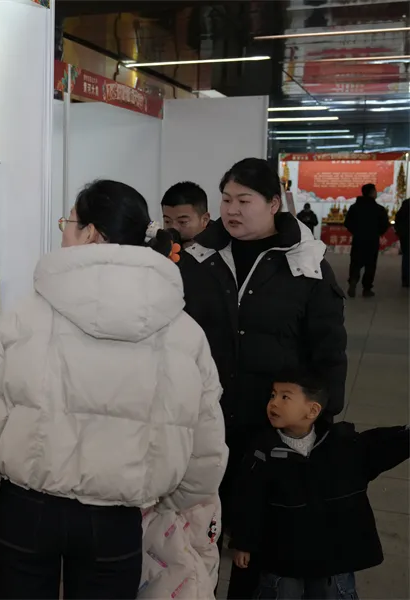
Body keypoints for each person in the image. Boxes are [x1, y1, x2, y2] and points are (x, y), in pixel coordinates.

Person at [0, 180, 228, 600]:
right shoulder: (184, 331)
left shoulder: (26, 317)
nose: (63, 232)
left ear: (91, 232)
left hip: (26, 513)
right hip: (118, 520)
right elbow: (205, 450)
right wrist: (165, 496)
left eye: (69, 222)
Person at [177, 158, 347, 600]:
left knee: (257, 541)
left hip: (271, 425)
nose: (232, 209)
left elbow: (329, 345)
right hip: (206, 420)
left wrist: (322, 412)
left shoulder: (305, 263)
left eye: (244, 200)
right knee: (196, 531)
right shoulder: (198, 258)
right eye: (226, 199)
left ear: (273, 204)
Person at [229, 371, 409, 599]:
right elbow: (248, 501)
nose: (273, 403)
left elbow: (379, 445)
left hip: (331, 554)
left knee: (330, 591)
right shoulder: (262, 452)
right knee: (283, 591)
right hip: (283, 554)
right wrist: (244, 542)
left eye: (285, 397)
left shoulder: (341, 446)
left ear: (312, 410)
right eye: (273, 395)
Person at [344, 183, 390, 298]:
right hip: (372, 240)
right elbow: (385, 224)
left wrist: (356, 231)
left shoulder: (354, 207)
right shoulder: (379, 209)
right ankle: (367, 288)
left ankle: (353, 280)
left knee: (355, 262)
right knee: (370, 265)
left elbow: (347, 222)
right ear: (372, 193)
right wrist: (377, 233)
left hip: (358, 239)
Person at [161, 181, 211, 248]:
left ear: (205, 220)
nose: (173, 228)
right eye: (167, 221)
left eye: (182, 222)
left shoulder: (220, 249)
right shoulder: (155, 248)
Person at [395, 199, 409, 288]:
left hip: (405, 235)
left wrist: (400, 232)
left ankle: (406, 280)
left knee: (406, 256)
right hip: (406, 234)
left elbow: (398, 218)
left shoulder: (406, 203)